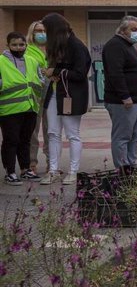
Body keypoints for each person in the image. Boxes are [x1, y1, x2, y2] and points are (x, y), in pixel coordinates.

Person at [40, 13, 92, 185]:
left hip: (71, 96)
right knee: (52, 133)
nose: (44, 35)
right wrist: (52, 72)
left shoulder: (77, 46)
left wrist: (55, 72)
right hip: (54, 94)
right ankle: (53, 170)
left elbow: (80, 74)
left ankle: (73, 171)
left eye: (46, 31)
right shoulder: (56, 46)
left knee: (72, 134)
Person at [102, 16, 137, 170]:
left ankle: (131, 165)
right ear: (122, 30)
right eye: (133, 29)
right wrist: (125, 96)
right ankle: (122, 169)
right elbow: (115, 73)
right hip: (124, 102)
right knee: (122, 137)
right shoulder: (115, 45)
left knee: (136, 136)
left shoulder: (129, 46)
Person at [0, 32, 42, 185]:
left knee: (25, 140)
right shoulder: (1, 62)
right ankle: (10, 172)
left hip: (30, 107)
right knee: (11, 141)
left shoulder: (32, 61)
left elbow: (39, 80)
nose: (18, 47)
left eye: (21, 45)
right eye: (14, 45)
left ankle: (25, 170)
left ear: (26, 45)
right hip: (9, 110)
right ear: (8, 46)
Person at [26, 21, 49, 173]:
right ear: (32, 33)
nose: (41, 33)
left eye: (44, 31)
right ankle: (31, 162)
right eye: (38, 30)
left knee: (51, 129)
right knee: (32, 129)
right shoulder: (27, 50)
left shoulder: (52, 48)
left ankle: (51, 162)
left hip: (51, 93)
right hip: (34, 94)